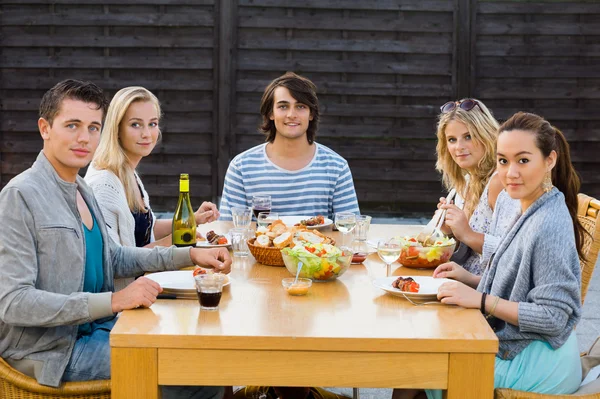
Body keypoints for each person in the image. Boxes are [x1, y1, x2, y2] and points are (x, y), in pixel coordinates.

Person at [0, 80, 231, 399]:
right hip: (53, 352)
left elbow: (116, 257)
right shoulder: (21, 195)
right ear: (45, 128)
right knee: (196, 372)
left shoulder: (82, 189)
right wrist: (113, 301)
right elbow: (13, 302)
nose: (84, 138)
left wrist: (190, 255)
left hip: (101, 328)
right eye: (72, 125)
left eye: (93, 127)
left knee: (202, 347)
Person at [396, 112, 584, 399]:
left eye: (523, 160)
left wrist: (481, 299)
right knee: (418, 351)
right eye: (503, 161)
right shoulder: (518, 204)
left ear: (550, 160)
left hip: (540, 361)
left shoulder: (549, 224)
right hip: (519, 343)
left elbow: (555, 317)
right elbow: (520, 283)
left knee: (417, 364)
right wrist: (471, 280)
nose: (510, 172)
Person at [85, 86, 219, 290]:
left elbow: (148, 228)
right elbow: (116, 261)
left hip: (148, 282)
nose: (147, 134)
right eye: (136, 124)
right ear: (117, 129)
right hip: (123, 300)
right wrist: (175, 241)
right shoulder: (104, 183)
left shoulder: (128, 172)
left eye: (152, 124)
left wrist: (192, 220)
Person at [219, 72, 359, 221]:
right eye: (283, 106)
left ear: (311, 114)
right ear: (270, 114)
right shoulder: (241, 167)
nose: (292, 114)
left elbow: (351, 230)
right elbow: (230, 231)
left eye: (300, 106)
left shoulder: (336, 167)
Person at [434, 98, 519, 275]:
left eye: (468, 136)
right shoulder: (466, 182)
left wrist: (466, 233)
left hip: (485, 295)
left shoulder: (499, 182)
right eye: (451, 139)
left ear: (486, 135)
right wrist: (450, 231)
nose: (459, 147)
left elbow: (516, 255)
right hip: (461, 283)